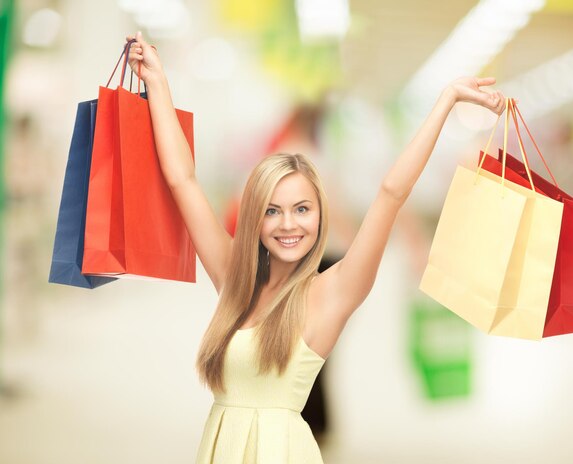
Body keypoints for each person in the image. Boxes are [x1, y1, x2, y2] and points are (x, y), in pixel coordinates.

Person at [126, 31, 505, 464]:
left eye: (302, 209)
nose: (289, 224)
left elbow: (391, 192)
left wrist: (446, 101)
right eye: (273, 211)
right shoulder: (235, 278)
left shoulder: (332, 293)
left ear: (320, 215)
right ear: (255, 218)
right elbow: (182, 180)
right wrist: (157, 86)